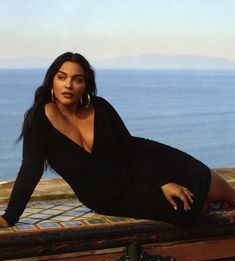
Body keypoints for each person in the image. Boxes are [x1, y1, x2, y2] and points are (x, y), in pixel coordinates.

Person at [1, 52, 235, 228]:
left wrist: (163, 180)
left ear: (86, 85)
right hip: (111, 196)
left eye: (77, 79)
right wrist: (8, 218)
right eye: (62, 77)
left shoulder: (100, 107)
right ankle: (211, 201)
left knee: (201, 176)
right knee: (189, 207)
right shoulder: (38, 122)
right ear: (52, 80)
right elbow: (30, 171)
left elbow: (130, 149)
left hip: (145, 159)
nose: (69, 85)